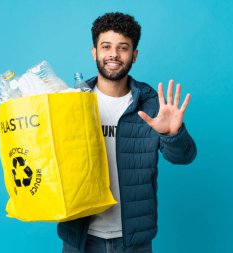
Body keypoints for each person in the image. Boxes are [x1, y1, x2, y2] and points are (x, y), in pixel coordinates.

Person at [58, 12, 197, 253]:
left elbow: (184, 157)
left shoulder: (152, 104)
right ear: (94, 52)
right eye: (106, 46)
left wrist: (172, 134)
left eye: (123, 48)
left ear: (134, 55)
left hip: (133, 241)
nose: (113, 54)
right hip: (80, 237)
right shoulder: (71, 103)